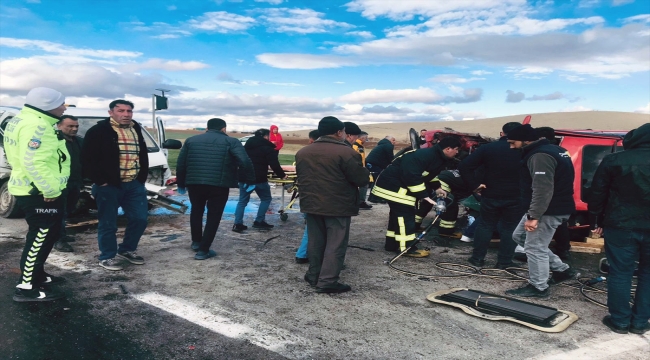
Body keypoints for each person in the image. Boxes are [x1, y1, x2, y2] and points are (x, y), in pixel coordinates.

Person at [4, 87, 70, 302]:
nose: (64, 107)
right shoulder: (38, 126)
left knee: (46, 235)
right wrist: (49, 190)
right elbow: (33, 162)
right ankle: (26, 287)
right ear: (47, 105)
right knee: (39, 238)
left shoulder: (22, 119)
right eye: (61, 103)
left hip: (33, 189)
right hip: (40, 192)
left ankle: (37, 275)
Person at [588, 123, 650, 335]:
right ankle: (641, 321)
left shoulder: (614, 160)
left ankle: (620, 321)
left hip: (620, 224)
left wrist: (596, 220)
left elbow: (597, 193)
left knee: (620, 273)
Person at [296, 117, 369, 293]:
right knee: (335, 244)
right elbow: (360, 178)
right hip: (338, 205)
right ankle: (327, 281)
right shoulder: (347, 153)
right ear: (338, 132)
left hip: (311, 203)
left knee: (316, 241)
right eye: (343, 131)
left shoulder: (303, 152)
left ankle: (314, 275)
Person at [505, 124, 577, 298]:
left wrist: (534, 216)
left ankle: (538, 287)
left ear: (526, 140)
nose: (511, 146)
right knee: (519, 236)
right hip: (550, 207)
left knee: (534, 247)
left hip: (547, 210)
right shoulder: (555, 149)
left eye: (513, 142)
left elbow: (542, 188)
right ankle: (562, 270)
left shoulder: (540, 156)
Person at [82, 99, 149, 271]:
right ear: (111, 112)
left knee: (140, 219)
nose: (126, 114)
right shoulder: (99, 131)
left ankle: (127, 250)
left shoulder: (136, 128)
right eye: (121, 111)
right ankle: (107, 256)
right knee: (108, 223)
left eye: (129, 111)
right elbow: (87, 158)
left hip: (134, 184)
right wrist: (100, 180)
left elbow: (142, 154)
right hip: (109, 186)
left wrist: (141, 178)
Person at [176, 118, 254, 260]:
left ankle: (196, 242)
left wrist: (181, 183)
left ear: (207, 128)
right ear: (223, 129)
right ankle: (203, 250)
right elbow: (245, 161)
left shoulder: (191, 140)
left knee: (196, 211)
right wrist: (249, 180)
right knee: (214, 216)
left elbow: (181, 163)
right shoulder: (231, 141)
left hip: (194, 183)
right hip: (219, 184)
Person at [372, 136, 461, 257]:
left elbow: (429, 174)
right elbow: (412, 176)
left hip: (396, 187)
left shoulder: (436, 157)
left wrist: (438, 188)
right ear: (448, 149)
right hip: (395, 188)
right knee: (405, 217)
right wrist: (424, 195)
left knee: (396, 217)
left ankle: (392, 244)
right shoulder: (426, 155)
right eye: (456, 149)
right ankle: (407, 248)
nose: (457, 152)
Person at [459, 122, 523, 269]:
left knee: (485, 225)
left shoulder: (488, 148)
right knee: (510, 228)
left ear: (502, 133)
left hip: (491, 193)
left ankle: (477, 258)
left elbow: (464, 166)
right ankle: (505, 262)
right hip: (516, 195)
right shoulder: (524, 150)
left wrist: (474, 184)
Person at [232, 128, 286, 232]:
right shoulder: (268, 148)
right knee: (266, 199)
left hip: (245, 178)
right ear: (266, 136)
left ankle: (237, 224)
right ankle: (259, 221)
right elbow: (274, 164)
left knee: (242, 201)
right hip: (260, 179)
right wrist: (282, 175)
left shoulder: (245, 148)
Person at [536, 126, 571, 260]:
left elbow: (542, 182)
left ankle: (556, 263)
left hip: (549, 198)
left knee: (539, 237)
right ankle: (563, 250)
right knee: (560, 226)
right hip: (562, 195)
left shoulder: (543, 153)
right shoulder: (563, 151)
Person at [53, 115, 83, 253]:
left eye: (76, 126)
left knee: (69, 210)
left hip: (75, 182)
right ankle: (58, 240)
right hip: (59, 184)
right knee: (60, 212)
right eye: (70, 126)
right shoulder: (54, 141)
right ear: (59, 126)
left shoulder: (78, 141)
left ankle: (61, 234)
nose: (74, 129)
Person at [414, 169, 472, 237]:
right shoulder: (475, 179)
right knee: (451, 207)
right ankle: (446, 231)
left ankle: (414, 226)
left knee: (426, 204)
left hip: (433, 182)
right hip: (442, 186)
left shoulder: (466, 171)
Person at [295, 130, 320, 264]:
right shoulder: (325, 154)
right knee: (314, 228)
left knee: (310, 227)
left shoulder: (303, 153)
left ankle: (302, 253)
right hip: (318, 196)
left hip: (307, 194)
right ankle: (303, 254)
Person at [366, 136, 396, 204]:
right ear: (390, 140)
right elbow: (390, 157)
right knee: (379, 180)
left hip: (371, 164)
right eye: (393, 140)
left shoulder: (381, 145)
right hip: (375, 165)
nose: (395, 142)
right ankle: (375, 198)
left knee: (377, 180)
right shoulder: (388, 145)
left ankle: (374, 198)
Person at [352, 131, 372, 210]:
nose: (366, 140)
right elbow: (352, 157)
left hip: (361, 169)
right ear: (362, 138)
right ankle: (359, 202)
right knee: (363, 184)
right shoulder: (355, 146)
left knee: (364, 184)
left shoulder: (360, 146)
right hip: (356, 169)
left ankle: (360, 201)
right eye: (366, 138)